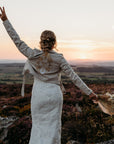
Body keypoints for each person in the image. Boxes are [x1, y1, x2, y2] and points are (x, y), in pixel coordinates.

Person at [0, 7, 98, 144]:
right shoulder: (59, 59)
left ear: (41, 42)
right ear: (54, 43)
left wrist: (5, 21)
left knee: (38, 127)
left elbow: (17, 41)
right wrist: (90, 93)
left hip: (39, 95)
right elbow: (74, 77)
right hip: (54, 95)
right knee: (53, 128)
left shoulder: (33, 55)